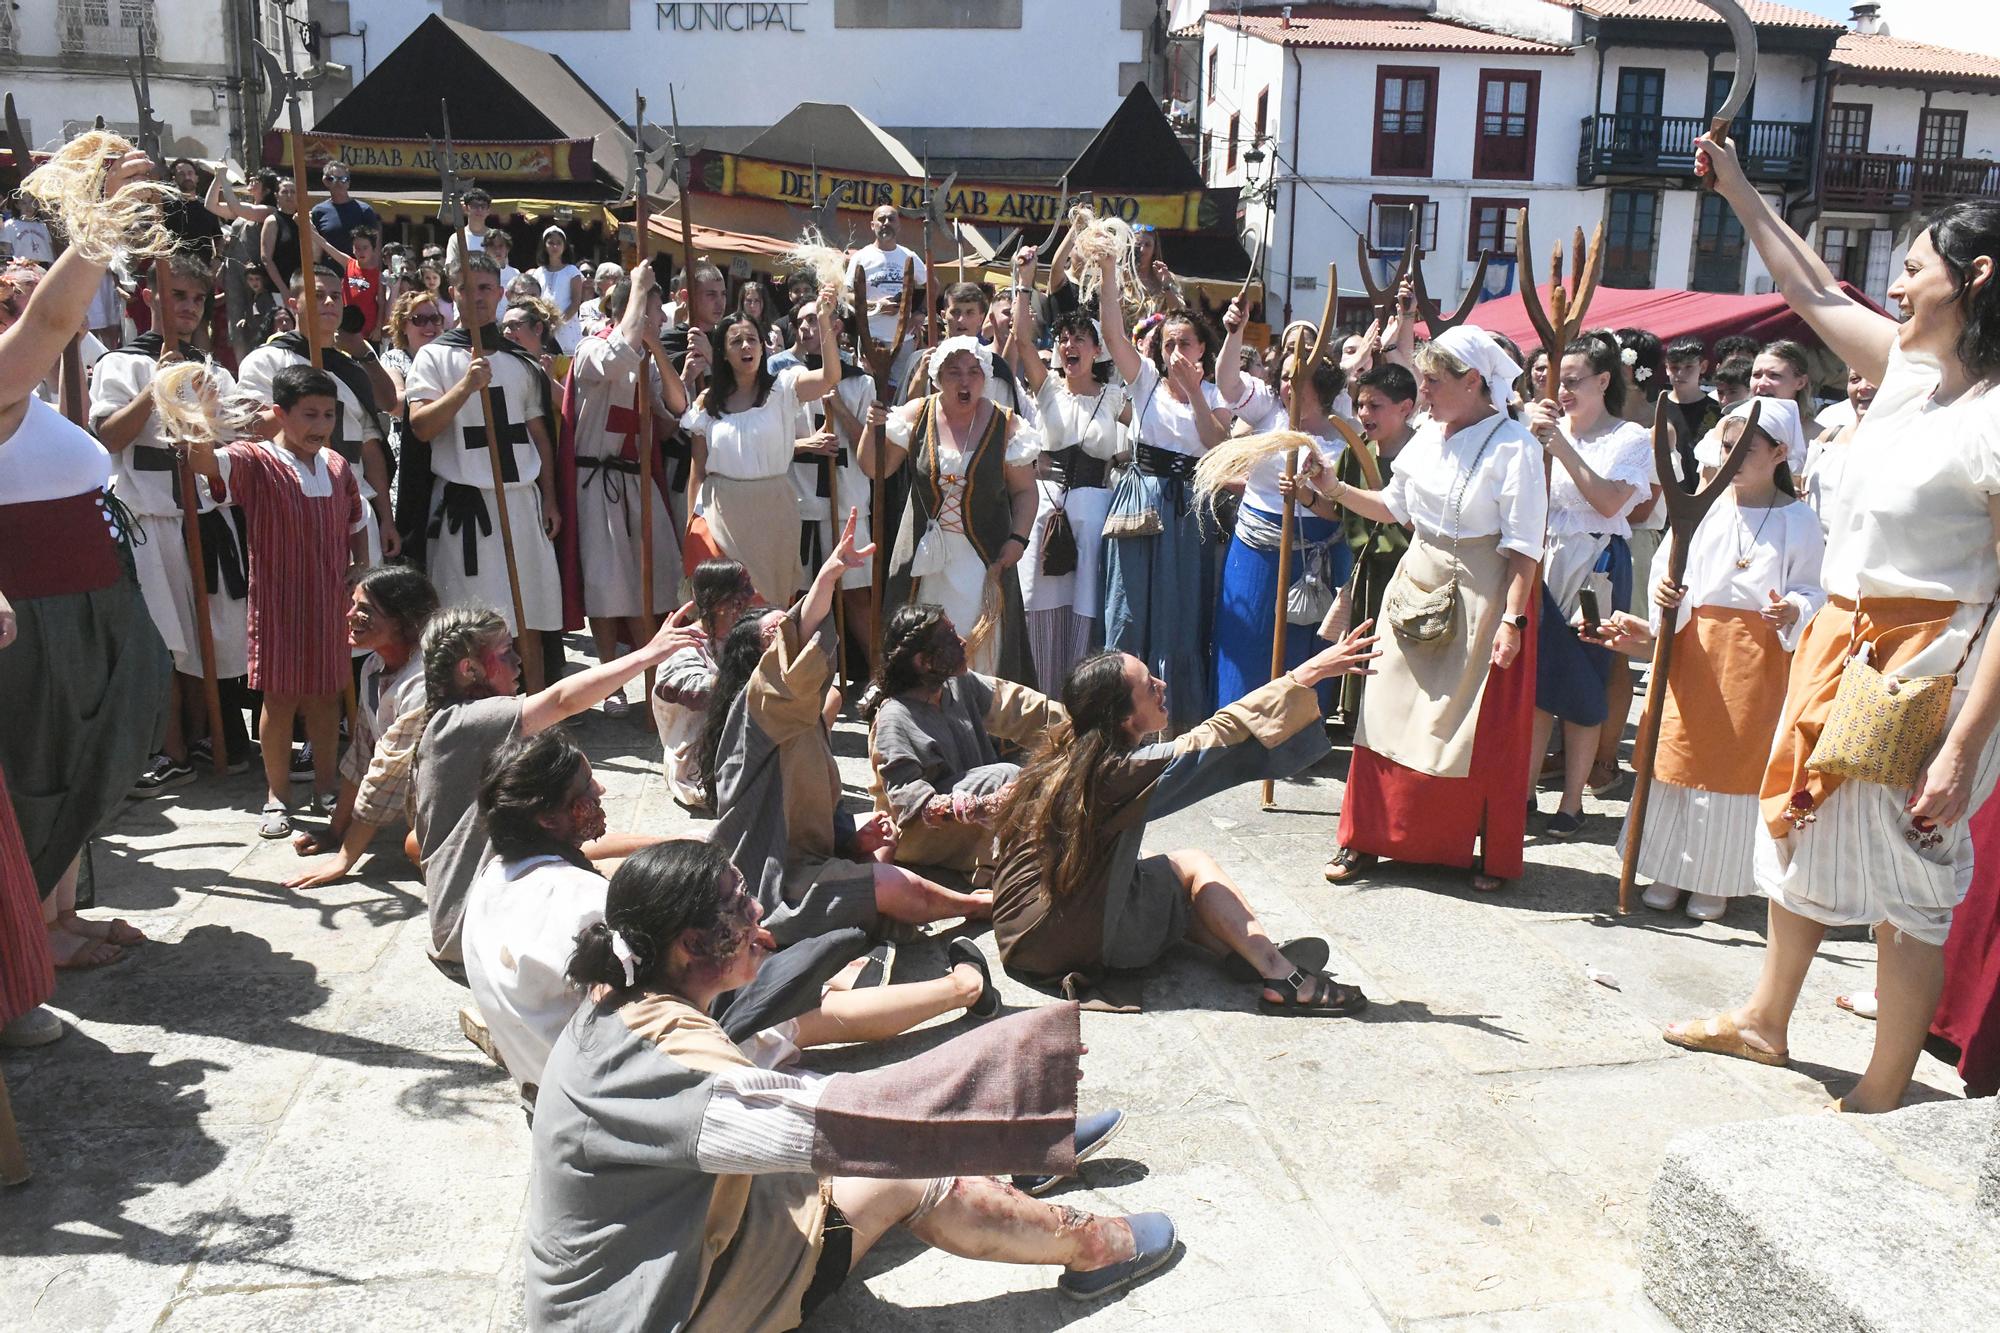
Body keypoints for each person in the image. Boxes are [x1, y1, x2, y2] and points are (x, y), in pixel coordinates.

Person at [1661, 137, 2000, 1114]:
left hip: (1927, 673)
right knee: (1799, 836)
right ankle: (1766, 1015)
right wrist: (1733, 188)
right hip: (1837, 646)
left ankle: (1884, 1085)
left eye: (1911, 268)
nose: (1891, 285)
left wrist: (1960, 745)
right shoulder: (1902, 374)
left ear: (1974, 278)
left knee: (1912, 869)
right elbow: (1809, 288)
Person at [525, 838, 1176, 1326]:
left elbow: (789, 1049)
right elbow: (836, 1122)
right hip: (653, 1310)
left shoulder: (628, 995)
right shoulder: (670, 1070)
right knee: (909, 1168)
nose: (757, 909)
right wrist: (1010, 1079)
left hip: (637, 1277)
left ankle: (1015, 1155)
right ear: (688, 945)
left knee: (845, 1108)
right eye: (737, 904)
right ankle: (1095, 1244)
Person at [465, 730, 1000, 1096]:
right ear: (548, 818)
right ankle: (965, 988)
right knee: (809, 996)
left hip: (551, 1080)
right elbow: (661, 1007)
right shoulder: (586, 907)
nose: (602, 789)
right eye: (586, 789)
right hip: (630, 1082)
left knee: (798, 969)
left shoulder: (490, 885)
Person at [990, 625, 1377, 1010]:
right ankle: (1281, 974)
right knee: (1191, 866)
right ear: (1125, 718)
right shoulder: (1121, 775)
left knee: (1162, 886)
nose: (1162, 686)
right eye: (1149, 688)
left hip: (1017, 934)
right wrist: (1306, 675)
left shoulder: (1066, 744)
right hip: (1068, 943)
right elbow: (1214, 738)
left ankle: (1234, 951)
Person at [0, 142, 170, 969]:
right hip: (35, 607)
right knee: (42, 771)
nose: (19, 308)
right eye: (6, 300)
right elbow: (55, 322)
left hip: (94, 592)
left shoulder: (31, 398)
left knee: (85, 764)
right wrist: (103, 219)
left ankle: (60, 918)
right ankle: (34, 932)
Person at [1313, 327, 1547, 892]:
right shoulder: (1426, 438)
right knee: (1385, 712)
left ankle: (1473, 853)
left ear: (1474, 382)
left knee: (1463, 730)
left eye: (1435, 382)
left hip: (1483, 592)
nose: (1426, 392)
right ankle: (1364, 837)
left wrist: (1513, 620)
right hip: (1416, 579)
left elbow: (1524, 548)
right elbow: (1393, 508)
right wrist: (1334, 489)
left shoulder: (1516, 448)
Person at [701, 512, 995, 945]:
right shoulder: (758, 710)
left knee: (881, 846)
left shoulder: (804, 719)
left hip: (810, 861)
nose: (791, 640)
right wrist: (825, 580)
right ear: (755, 668)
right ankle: (975, 905)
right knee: (889, 883)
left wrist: (855, 840)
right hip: (772, 881)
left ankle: (868, 910)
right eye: (777, 638)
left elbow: (818, 819)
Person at [1594, 403, 1825, 920]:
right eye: (1725, 448)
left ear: (1779, 453)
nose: (1732, 459)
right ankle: (1665, 867)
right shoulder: (1703, 508)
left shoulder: (1799, 519)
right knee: (1675, 751)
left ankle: (1717, 878)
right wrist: (1667, 597)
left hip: (1755, 656)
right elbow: (1666, 567)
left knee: (1734, 762)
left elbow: (1815, 589)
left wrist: (1795, 607)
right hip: (1693, 648)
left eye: (1745, 450)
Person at [407, 604, 701, 974]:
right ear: (469, 669)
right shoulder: (461, 724)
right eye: (505, 653)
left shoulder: (461, 726)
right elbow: (563, 700)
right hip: (474, 934)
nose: (518, 662)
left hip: (473, 927)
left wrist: (670, 843)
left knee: (628, 871)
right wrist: (648, 655)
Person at [175, 365, 368, 837]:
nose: (319, 425)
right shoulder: (255, 460)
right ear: (280, 413)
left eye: (327, 414)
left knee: (325, 698)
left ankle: (325, 786)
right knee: (280, 699)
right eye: (308, 414)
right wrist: (198, 411)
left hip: (328, 602)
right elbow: (203, 464)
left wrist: (360, 570)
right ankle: (277, 796)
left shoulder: (337, 466)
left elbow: (357, 522)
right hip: (277, 603)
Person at [93, 250, 255, 788]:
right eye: (178, 296)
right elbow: (109, 438)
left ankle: (213, 733)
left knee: (211, 634)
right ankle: (170, 748)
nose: (188, 307)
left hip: (205, 517)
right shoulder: (123, 363)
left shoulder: (213, 371)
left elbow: (236, 439)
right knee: (162, 636)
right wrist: (155, 385)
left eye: (197, 299)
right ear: (150, 298)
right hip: (149, 517)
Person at [1097, 256, 1244, 728]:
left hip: (1189, 508)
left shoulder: (1216, 395)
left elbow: (1216, 445)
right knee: (1130, 602)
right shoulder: (1145, 384)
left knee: (1180, 609)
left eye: (1185, 342)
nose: (1175, 350)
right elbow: (1114, 335)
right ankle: (1118, 707)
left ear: (1202, 349)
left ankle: (1171, 711)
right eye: (1168, 343)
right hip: (1141, 500)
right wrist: (1106, 274)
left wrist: (1196, 391)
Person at [1522, 333, 1656, 838]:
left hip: (1596, 560)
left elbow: (1608, 502)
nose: (1564, 391)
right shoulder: (1538, 430)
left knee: (1585, 678)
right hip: (1543, 558)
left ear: (1604, 380)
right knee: (1536, 681)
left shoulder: (1629, 439)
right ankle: (1526, 790)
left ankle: (1573, 800)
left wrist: (1560, 446)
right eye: (1557, 381)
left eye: (1574, 381)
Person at [404, 253, 564, 660]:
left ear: (499, 293)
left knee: (528, 616)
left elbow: (540, 437)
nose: (476, 297)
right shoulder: (434, 357)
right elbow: (421, 426)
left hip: (520, 504)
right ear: (452, 292)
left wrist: (549, 498)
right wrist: (464, 388)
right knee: (466, 625)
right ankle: (470, 715)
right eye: (467, 288)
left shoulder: (521, 363)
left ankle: (532, 712)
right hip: (465, 507)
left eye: (485, 288)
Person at [1199, 307, 1351, 713]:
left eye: (1296, 378)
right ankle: (1237, 724)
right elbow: (1228, 384)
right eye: (1283, 377)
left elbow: (1343, 510)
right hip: (1255, 546)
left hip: (1311, 549)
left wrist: (1308, 496)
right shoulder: (1268, 411)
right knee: (1248, 636)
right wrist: (1235, 332)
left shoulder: (1343, 432)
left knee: (1302, 645)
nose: (1286, 386)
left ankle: (1296, 731)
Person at [871, 335, 1042, 682]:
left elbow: (1025, 491)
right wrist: (872, 429)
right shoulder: (916, 414)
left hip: (982, 561)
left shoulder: (1005, 425)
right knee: (922, 643)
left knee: (978, 645)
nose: (965, 381)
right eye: (954, 372)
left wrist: (1017, 540)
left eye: (973, 372)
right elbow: (876, 469)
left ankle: (979, 729)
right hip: (923, 560)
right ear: (938, 377)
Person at [867, 604, 1066, 875]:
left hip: (968, 817)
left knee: (1050, 774)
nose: (962, 642)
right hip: (918, 834)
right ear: (923, 661)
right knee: (1006, 775)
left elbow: (1019, 708)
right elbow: (908, 803)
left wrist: (1079, 726)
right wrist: (983, 805)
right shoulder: (895, 717)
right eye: (950, 639)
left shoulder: (957, 684)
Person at [561, 264, 684, 688]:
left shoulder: (645, 359)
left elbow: (674, 413)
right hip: (599, 483)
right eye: (655, 310)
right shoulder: (591, 351)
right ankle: (608, 680)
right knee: (607, 586)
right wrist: (637, 287)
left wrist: (663, 354)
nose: (664, 319)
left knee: (653, 582)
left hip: (636, 481)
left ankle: (653, 680)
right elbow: (616, 358)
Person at [680, 291, 844, 608]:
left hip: (774, 514)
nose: (746, 347)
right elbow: (697, 472)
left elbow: (829, 377)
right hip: (720, 515)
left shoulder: (783, 387)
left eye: (752, 339)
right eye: (736, 341)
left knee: (769, 610)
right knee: (726, 609)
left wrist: (825, 320)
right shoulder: (708, 403)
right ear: (723, 353)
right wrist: (691, 529)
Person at [1010, 258, 1128, 685]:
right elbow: (1023, 342)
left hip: (1095, 513)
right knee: (1037, 605)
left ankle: (1081, 697)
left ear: (1097, 350)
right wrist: (1025, 283)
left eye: (1079, 338)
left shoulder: (1116, 397)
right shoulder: (1047, 390)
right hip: (1047, 510)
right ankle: (1040, 701)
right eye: (1062, 338)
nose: (1068, 345)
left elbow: (1145, 438)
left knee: (1086, 606)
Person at [284, 565, 440, 889]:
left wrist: (343, 860)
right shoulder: (372, 666)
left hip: (460, 792)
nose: (349, 615)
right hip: (416, 789)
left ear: (402, 622)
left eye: (364, 610)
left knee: (419, 849)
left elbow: (385, 777)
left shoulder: (424, 683)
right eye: (353, 604)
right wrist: (334, 830)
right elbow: (363, 753)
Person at [236, 262, 397, 564]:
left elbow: (369, 448)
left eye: (336, 296)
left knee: (360, 606)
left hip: (355, 505)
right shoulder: (266, 361)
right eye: (318, 294)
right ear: (293, 303)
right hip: (291, 504)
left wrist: (385, 517)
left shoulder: (352, 370)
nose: (329, 303)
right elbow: (249, 431)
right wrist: (298, 401)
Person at [768, 293, 878, 672]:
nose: (804, 327)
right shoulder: (784, 383)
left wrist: (838, 408)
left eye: (815, 320)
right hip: (800, 507)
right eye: (800, 321)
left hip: (847, 503)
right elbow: (766, 442)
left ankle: (881, 677)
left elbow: (870, 448)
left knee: (856, 598)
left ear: (835, 327)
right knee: (795, 596)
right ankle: (789, 676)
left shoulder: (861, 383)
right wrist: (804, 445)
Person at [651, 559, 756, 813]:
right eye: (743, 591)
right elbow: (695, 692)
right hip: (697, 762)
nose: (752, 596)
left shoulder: (747, 632)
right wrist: (761, 676)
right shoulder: (681, 647)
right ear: (720, 603)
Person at [848, 203, 927, 388]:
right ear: (872, 225)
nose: (886, 223)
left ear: (899, 225)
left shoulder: (909, 256)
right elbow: (847, 295)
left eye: (891, 219)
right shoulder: (861, 257)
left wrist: (920, 312)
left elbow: (932, 285)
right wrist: (876, 306)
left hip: (904, 339)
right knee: (870, 388)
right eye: (881, 219)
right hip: (872, 337)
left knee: (901, 391)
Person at [1801, 366, 1876, 523]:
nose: (1862, 387)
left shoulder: (1904, 442)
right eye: (1855, 379)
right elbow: (1804, 490)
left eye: (1873, 378)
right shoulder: (1828, 438)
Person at [1660, 336, 1720, 493]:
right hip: (1664, 497)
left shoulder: (1715, 412)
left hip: (1705, 496)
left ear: (1703, 366)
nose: (1680, 373)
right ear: (1666, 368)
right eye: (1674, 367)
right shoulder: (1657, 409)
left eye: (1688, 367)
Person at [530, 225, 584, 355]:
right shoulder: (538, 272)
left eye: (558, 243)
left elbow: (575, 302)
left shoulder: (572, 271)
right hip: (544, 325)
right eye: (551, 243)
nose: (555, 247)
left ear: (564, 246)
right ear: (545, 246)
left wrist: (559, 323)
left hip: (566, 325)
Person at [309, 162, 380, 259]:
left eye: (343, 179)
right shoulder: (318, 212)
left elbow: (375, 248)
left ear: (349, 183)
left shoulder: (364, 210)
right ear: (326, 181)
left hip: (357, 271)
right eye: (333, 179)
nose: (339, 183)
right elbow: (315, 248)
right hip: (329, 271)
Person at [0, 195, 53, 264]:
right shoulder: (9, 225)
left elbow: (51, 252)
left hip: (46, 268)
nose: (28, 206)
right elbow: (5, 254)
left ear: (36, 204)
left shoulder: (43, 226)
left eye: (31, 202)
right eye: (24, 203)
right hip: (23, 268)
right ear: (17, 205)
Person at [576, 260, 622, 338]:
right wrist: (612, 321)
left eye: (617, 278)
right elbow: (587, 330)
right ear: (599, 282)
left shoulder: (625, 304)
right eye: (608, 277)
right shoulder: (587, 306)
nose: (614, 282)